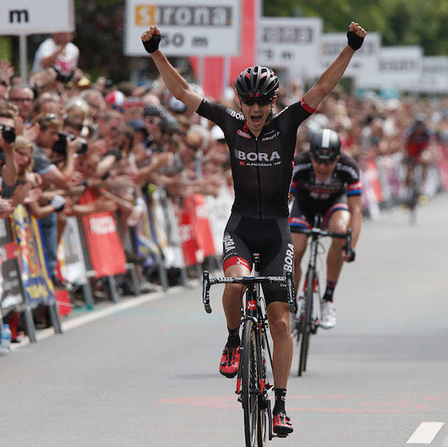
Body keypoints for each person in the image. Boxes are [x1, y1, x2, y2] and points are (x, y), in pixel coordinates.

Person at [141, 20, 367, 436]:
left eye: (263, 102)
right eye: (249, 103)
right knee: (235, 285)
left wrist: (349, 49)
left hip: (278, 230)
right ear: (240, 103)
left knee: (280, 321)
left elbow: (321, 88)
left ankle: (280, 404)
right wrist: (156, 54)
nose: (256, 109)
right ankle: (232, 339)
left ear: (273, 102)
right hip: (242, 225)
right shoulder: (229, 123)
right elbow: (183, 92)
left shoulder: (286, 125)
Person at [289, 129, 362, 329]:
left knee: (340, 230)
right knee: (294, 254)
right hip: (304, 207)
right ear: (311, 156)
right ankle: (291, 304)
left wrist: (350, 245)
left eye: (328, 162)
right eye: (318, 161)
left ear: (337, 158)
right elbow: (284, 201)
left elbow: (356, 211)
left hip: (333, 207)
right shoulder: (300, 164)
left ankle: (327, 298)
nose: (322, 167)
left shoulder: (349, 167)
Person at [403, 114, 433, 199]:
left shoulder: (427, 133)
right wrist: (405, 155)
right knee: (408, 169)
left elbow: (430, 145)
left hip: (421, 153)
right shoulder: (409, 133)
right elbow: (404, 145)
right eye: (417, 127)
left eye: (421, 126)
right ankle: (407, 190)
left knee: (425, 160)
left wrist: (428, 155)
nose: (419, 129)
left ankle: (423, 185)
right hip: (411, 153)